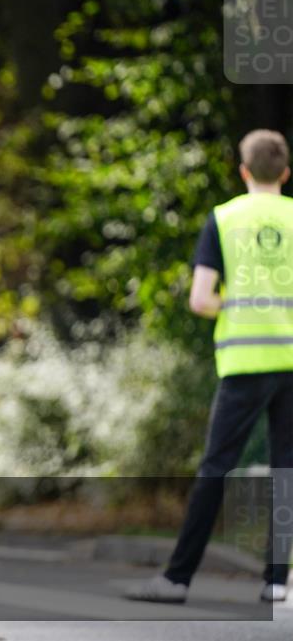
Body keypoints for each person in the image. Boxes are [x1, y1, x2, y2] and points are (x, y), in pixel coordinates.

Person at [126, 130, 293, 604]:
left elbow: (201, 299)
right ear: (284, 173)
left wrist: (238, 306)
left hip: (244, 361)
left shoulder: (224, 219)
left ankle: (177, 578)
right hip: (292, 359)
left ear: (243, 171)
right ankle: (276, 581)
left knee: (217, 467)